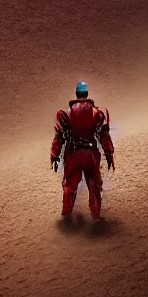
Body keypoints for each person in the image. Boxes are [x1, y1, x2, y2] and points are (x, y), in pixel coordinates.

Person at [50, 81, 115, 221]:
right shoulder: (97, 113)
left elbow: (59, 136)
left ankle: (66, 216)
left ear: (76, 94)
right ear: (86, 94)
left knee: (69, 187)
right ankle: (96, 217)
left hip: (72, 154)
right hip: (90, 154)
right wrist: (109, 153)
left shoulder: (65, 114)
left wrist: (54, 156)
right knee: (94, 186)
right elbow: (104, 135)